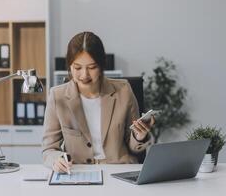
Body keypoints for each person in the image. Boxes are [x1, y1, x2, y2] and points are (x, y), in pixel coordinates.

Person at [42, 31, 155, 173]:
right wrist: (56, 159)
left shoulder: (124, 91)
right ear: (69, 66)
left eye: (92, 67)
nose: (84, 75)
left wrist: (139, 136)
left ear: (101, 66)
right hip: (78, 172)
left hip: (119, 170)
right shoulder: (57, 96)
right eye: (77, 68)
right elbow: (48, 149)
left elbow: (133, 146)